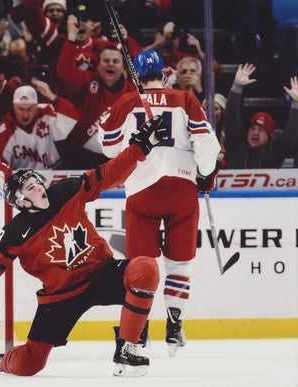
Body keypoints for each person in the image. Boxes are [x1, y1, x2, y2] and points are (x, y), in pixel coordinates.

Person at [0, 115, 169, 377]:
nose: (38, 186)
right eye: (30, 187)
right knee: (30, 365)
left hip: (101, 272)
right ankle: (3, 361)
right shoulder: (16, 232)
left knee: (146, 268)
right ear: (22, 202)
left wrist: (139, 148)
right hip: (61, 295)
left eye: (37, 181)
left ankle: (128, 346)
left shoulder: (68, 190)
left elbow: (109, 173)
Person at [99, 50, 221, 357]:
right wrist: (205, 176)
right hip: (181, 186)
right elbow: (207, 143)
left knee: (142, 265)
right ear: (164, 75)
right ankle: (174, 325)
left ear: (135, 77)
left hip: (142, 188)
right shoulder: (185, 98)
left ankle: (139, 330)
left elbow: (109, 147)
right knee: (179, 263)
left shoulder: (126, 102)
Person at [55, 43, 136, 169]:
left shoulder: (133, 92)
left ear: (123, 68)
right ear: (98, 66)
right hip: (81, 164)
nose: (110, 64)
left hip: (118, 167)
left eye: (115, 61)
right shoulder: (87, 81)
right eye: (106, 60)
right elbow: (64, 73)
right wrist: (71, 40)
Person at [0, 81, 78, 170]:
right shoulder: (5, 129)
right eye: (21, 109)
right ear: (14, 106)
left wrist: (52, 97)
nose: (25, 115)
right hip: (21, 180)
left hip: (51, 175)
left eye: (30, 109)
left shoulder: (46, 112)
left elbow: (72, 119)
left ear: (36, 106)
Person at [224, 63, 298, 169]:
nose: (255, 133)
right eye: (253, 128)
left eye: (261, 130)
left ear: (270, 135)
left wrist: (296, 104)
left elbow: (291, 134)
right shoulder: (236, 145)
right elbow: (231, 118)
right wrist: (237, 87)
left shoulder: (276, 151)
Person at [202, 93, 227, 167]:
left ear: (222, 111)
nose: (210, 113)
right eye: (206, 109)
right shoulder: (196, 131)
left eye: (215, 109)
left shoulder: (228, 132)